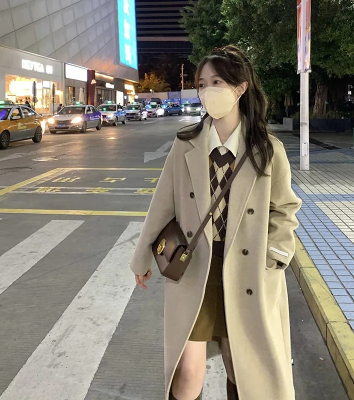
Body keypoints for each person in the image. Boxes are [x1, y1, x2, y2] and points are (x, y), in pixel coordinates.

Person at [131, 45, 302, 400]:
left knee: (243, 369)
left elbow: (285, 209)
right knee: (187, 372)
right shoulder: (186, 145)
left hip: (248, 271)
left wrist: (274, 256)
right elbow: (162, 204)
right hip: (196, 267)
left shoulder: (267, 149)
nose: (207, 90)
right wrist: (142, 257)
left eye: (217, 82)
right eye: (202, 83)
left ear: (240, 88)